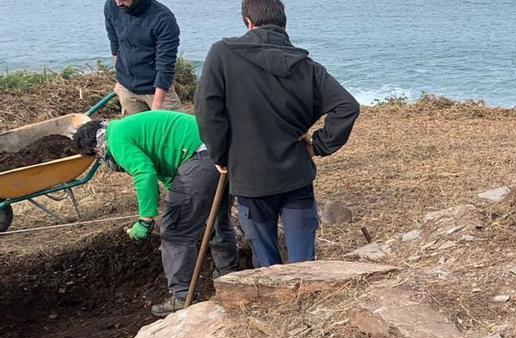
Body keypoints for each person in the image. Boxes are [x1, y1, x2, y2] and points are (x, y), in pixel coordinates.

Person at [195, 0, 359, 268]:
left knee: (266, 262)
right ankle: (304, 302)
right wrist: (318, 144)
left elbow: (207, 110)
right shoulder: (307, 66)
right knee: (304, 263)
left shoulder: (222, 54)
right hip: (296, 175)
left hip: (251, 176)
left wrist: (220, 154)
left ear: (248, 22)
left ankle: (275, 303)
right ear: (284, 23)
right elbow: (347, 106)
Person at [72, 112, 240, 317]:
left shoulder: (115, 141)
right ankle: (231, 277)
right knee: (216, 221)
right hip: (219, 151)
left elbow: (144, 173)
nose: (101, 161)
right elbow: (167, 166)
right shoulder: (123, 128)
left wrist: (145, 219)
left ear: (96, 148)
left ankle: (181, 296)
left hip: (199, 158)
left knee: (175, 231)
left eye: (97, 158)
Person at [104, 0, 182, 115]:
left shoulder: (163, 18)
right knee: (134, 132)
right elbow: (115, 44)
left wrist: (157, 107)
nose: (118, 3)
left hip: (157, 89)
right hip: (126, 88)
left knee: (175, 130)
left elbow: (165, 65)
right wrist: (120, 79)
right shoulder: (111, 6)